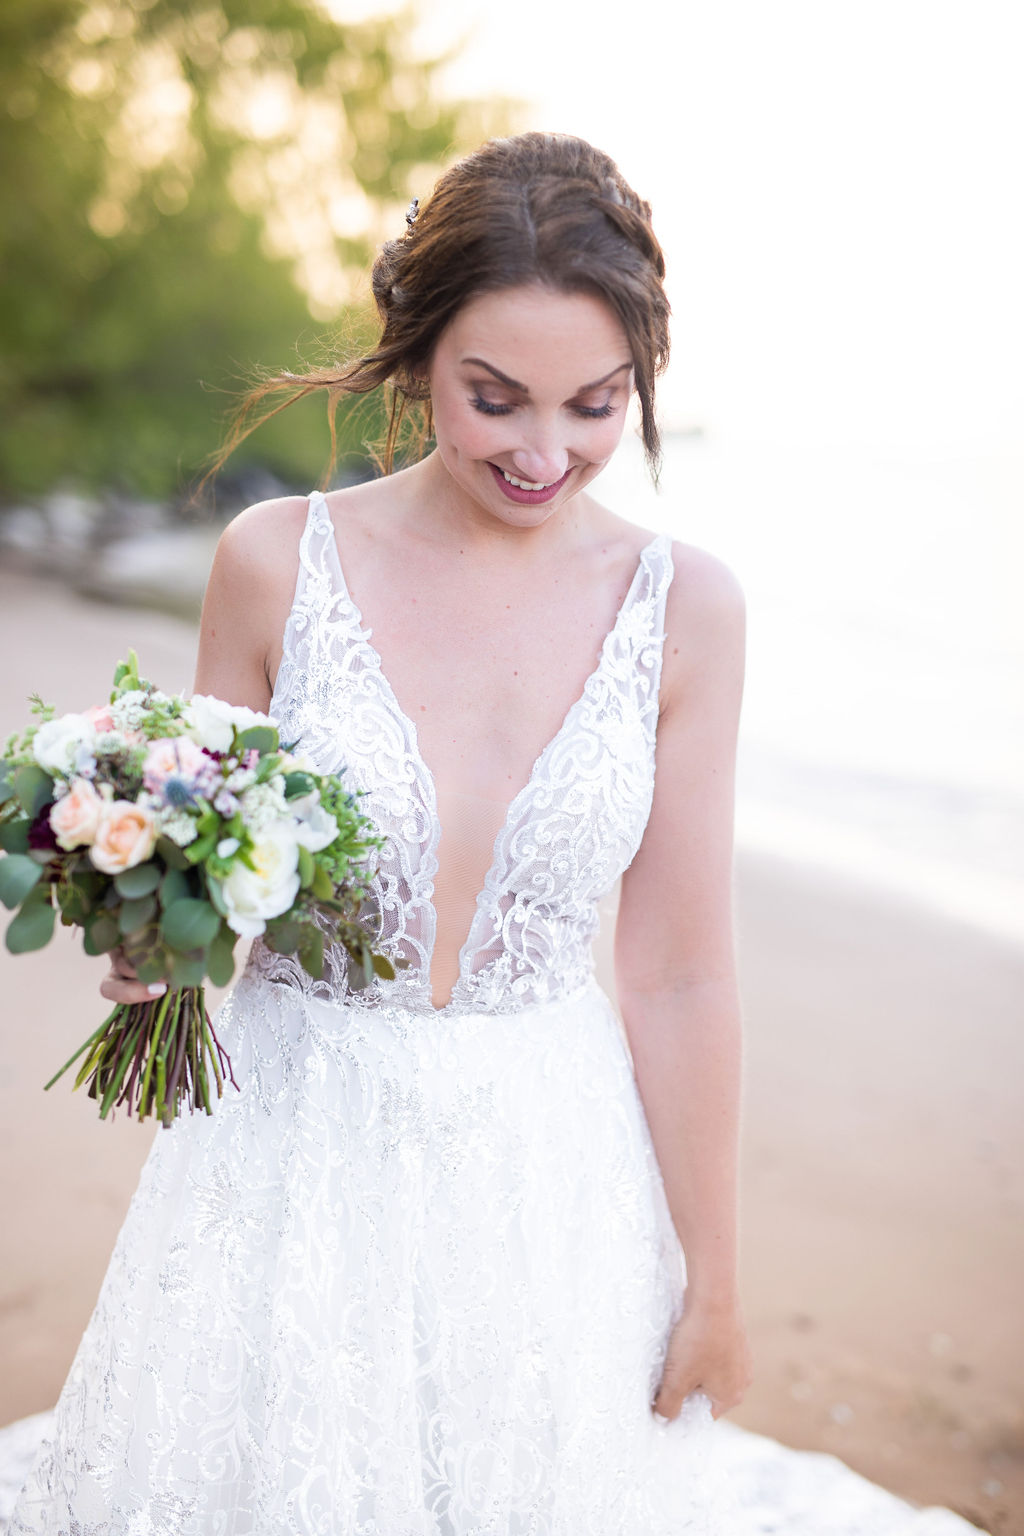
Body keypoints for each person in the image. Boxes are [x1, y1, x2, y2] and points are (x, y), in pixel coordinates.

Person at [8, 131, 752, 1532]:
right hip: (297, 1142)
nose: (547, 452)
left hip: (547, 1167)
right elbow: (205, 870)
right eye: (496, 399)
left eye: (597, 404)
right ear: (415, 360)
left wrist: (714, 1275)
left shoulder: (686, 610)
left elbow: (677, 973)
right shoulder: (276, 563)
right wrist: (148, 938)